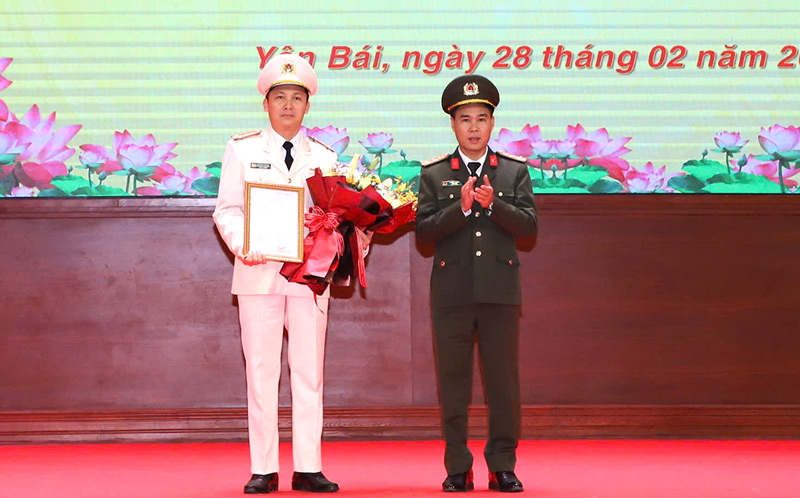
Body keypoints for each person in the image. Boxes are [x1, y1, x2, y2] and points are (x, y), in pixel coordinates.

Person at [213, 53, 339, 494]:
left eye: (297, 97)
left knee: (309, 372)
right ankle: (263, 467)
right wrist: (241, 244)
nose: (288, 105)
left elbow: (334, 215)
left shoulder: (325, 155)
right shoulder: (242, 149)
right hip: (257, 274)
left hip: (308, 278)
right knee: (262, 372)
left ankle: (308, 466)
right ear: (266, 104)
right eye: (280, 96)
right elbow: (226, 210)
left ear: (308, 106)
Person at [415, 75, 538, 493]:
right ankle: (457, 467)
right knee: (454, 385)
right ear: (453, 124)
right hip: (451, 295)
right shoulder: (434, 175)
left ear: (492, 124)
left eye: (481, 119)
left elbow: (529, 227)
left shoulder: (513, 172)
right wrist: (462, 209)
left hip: (500, 294)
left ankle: (503, 464)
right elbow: (424, 233)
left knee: (503, 385)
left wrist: (494, 204)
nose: (473, 127)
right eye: (464, 119)